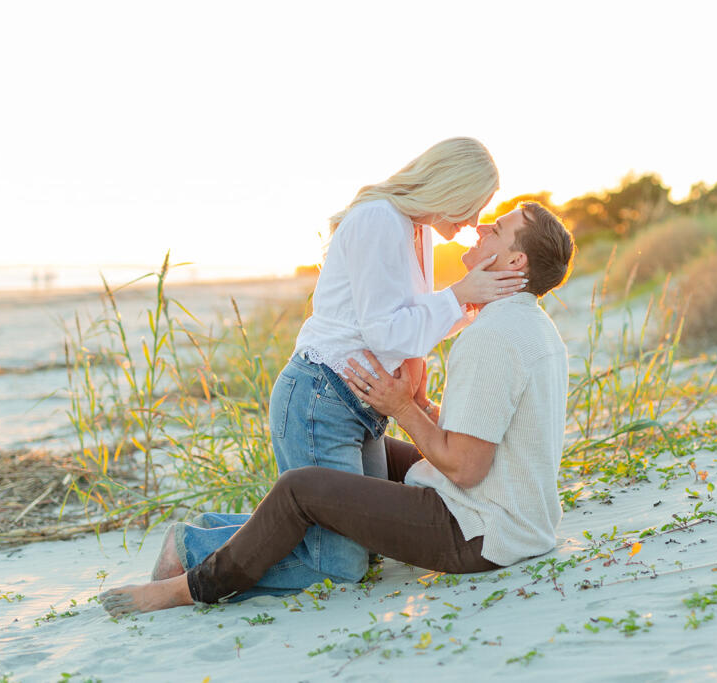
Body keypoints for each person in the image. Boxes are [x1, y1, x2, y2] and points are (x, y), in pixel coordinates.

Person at [100, 201, 575, 615]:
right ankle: (210, 536)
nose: (482, 226)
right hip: (515, 515)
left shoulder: (490, 338)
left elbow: (467, 469)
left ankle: (190, 584)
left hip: (476, 533)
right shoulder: (533, 327)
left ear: (515, 260)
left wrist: (403, 407)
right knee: (365, 447)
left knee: (302, 489)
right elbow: (496, 436)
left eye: (498, 228)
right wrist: (426, 408)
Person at [154, 138, 527, 597]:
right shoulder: (379, 220)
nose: (473, 222)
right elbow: (384, 332)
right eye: (473, 206)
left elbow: (409, 321)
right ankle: (189, 546)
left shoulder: (416, 231)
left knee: (361, 544)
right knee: (338, 566)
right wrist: (459, 295)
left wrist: (469, 304)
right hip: (321, 398)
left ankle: (214, 531)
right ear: (451, 188)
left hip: (361, 406)